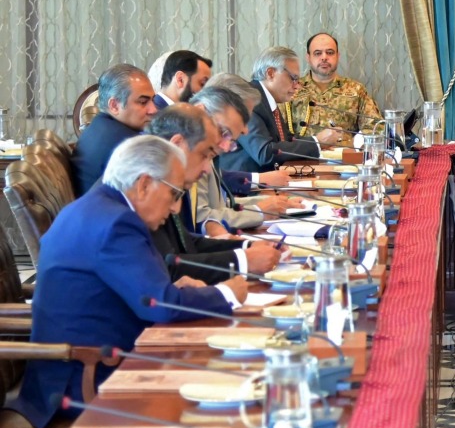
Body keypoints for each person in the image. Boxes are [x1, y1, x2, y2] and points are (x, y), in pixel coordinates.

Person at [12, 136, 246, 428]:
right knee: (223, 386)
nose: (176, 208)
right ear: (144, 184)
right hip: (86, 376)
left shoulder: (100, 207)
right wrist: (226, 293)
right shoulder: (116, 224)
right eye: (174, 193)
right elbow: (159, 305)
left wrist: (173, 291)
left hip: (85, 364)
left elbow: (144, 293)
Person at [145, 105, 282, 282]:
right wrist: (243, 261)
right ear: (177, 144)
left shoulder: (164, 181)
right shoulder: (145, 193)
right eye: (204, 156)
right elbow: (169, 268)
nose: (207, 169)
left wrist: (247, 246)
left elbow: (187, 244)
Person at [194, 76, 301, 235]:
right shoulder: (191, 152)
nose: (246, 129)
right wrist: (259, 211)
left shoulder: (204, 147)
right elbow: (201, 219)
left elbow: (220, 205)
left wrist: (272, 204)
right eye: (225, 132)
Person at [220, 46, 339, 173]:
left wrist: (319, 143)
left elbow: (285, 139)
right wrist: (316, 142)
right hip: (247, 182)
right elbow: (264, 153)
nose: (297, 86)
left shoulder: (267, 99)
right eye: (293, 78)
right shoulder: (249, 100)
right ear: (270, 73)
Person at [70, 64, 158, 195]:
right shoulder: (127, 145)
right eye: (143, 102)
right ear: (114, 105)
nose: (153, 110)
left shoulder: (97, 126)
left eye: (153, 100)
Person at [287, 32, 382, 146]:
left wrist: (351, 142)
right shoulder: (291, 89)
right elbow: (278, 132)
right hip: (303, 155)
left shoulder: (356, 89)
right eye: (317, 53)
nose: (324, 57)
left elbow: (376, 128)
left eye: (330, 52)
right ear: (308, 57)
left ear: (338, 56)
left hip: (345, 155)